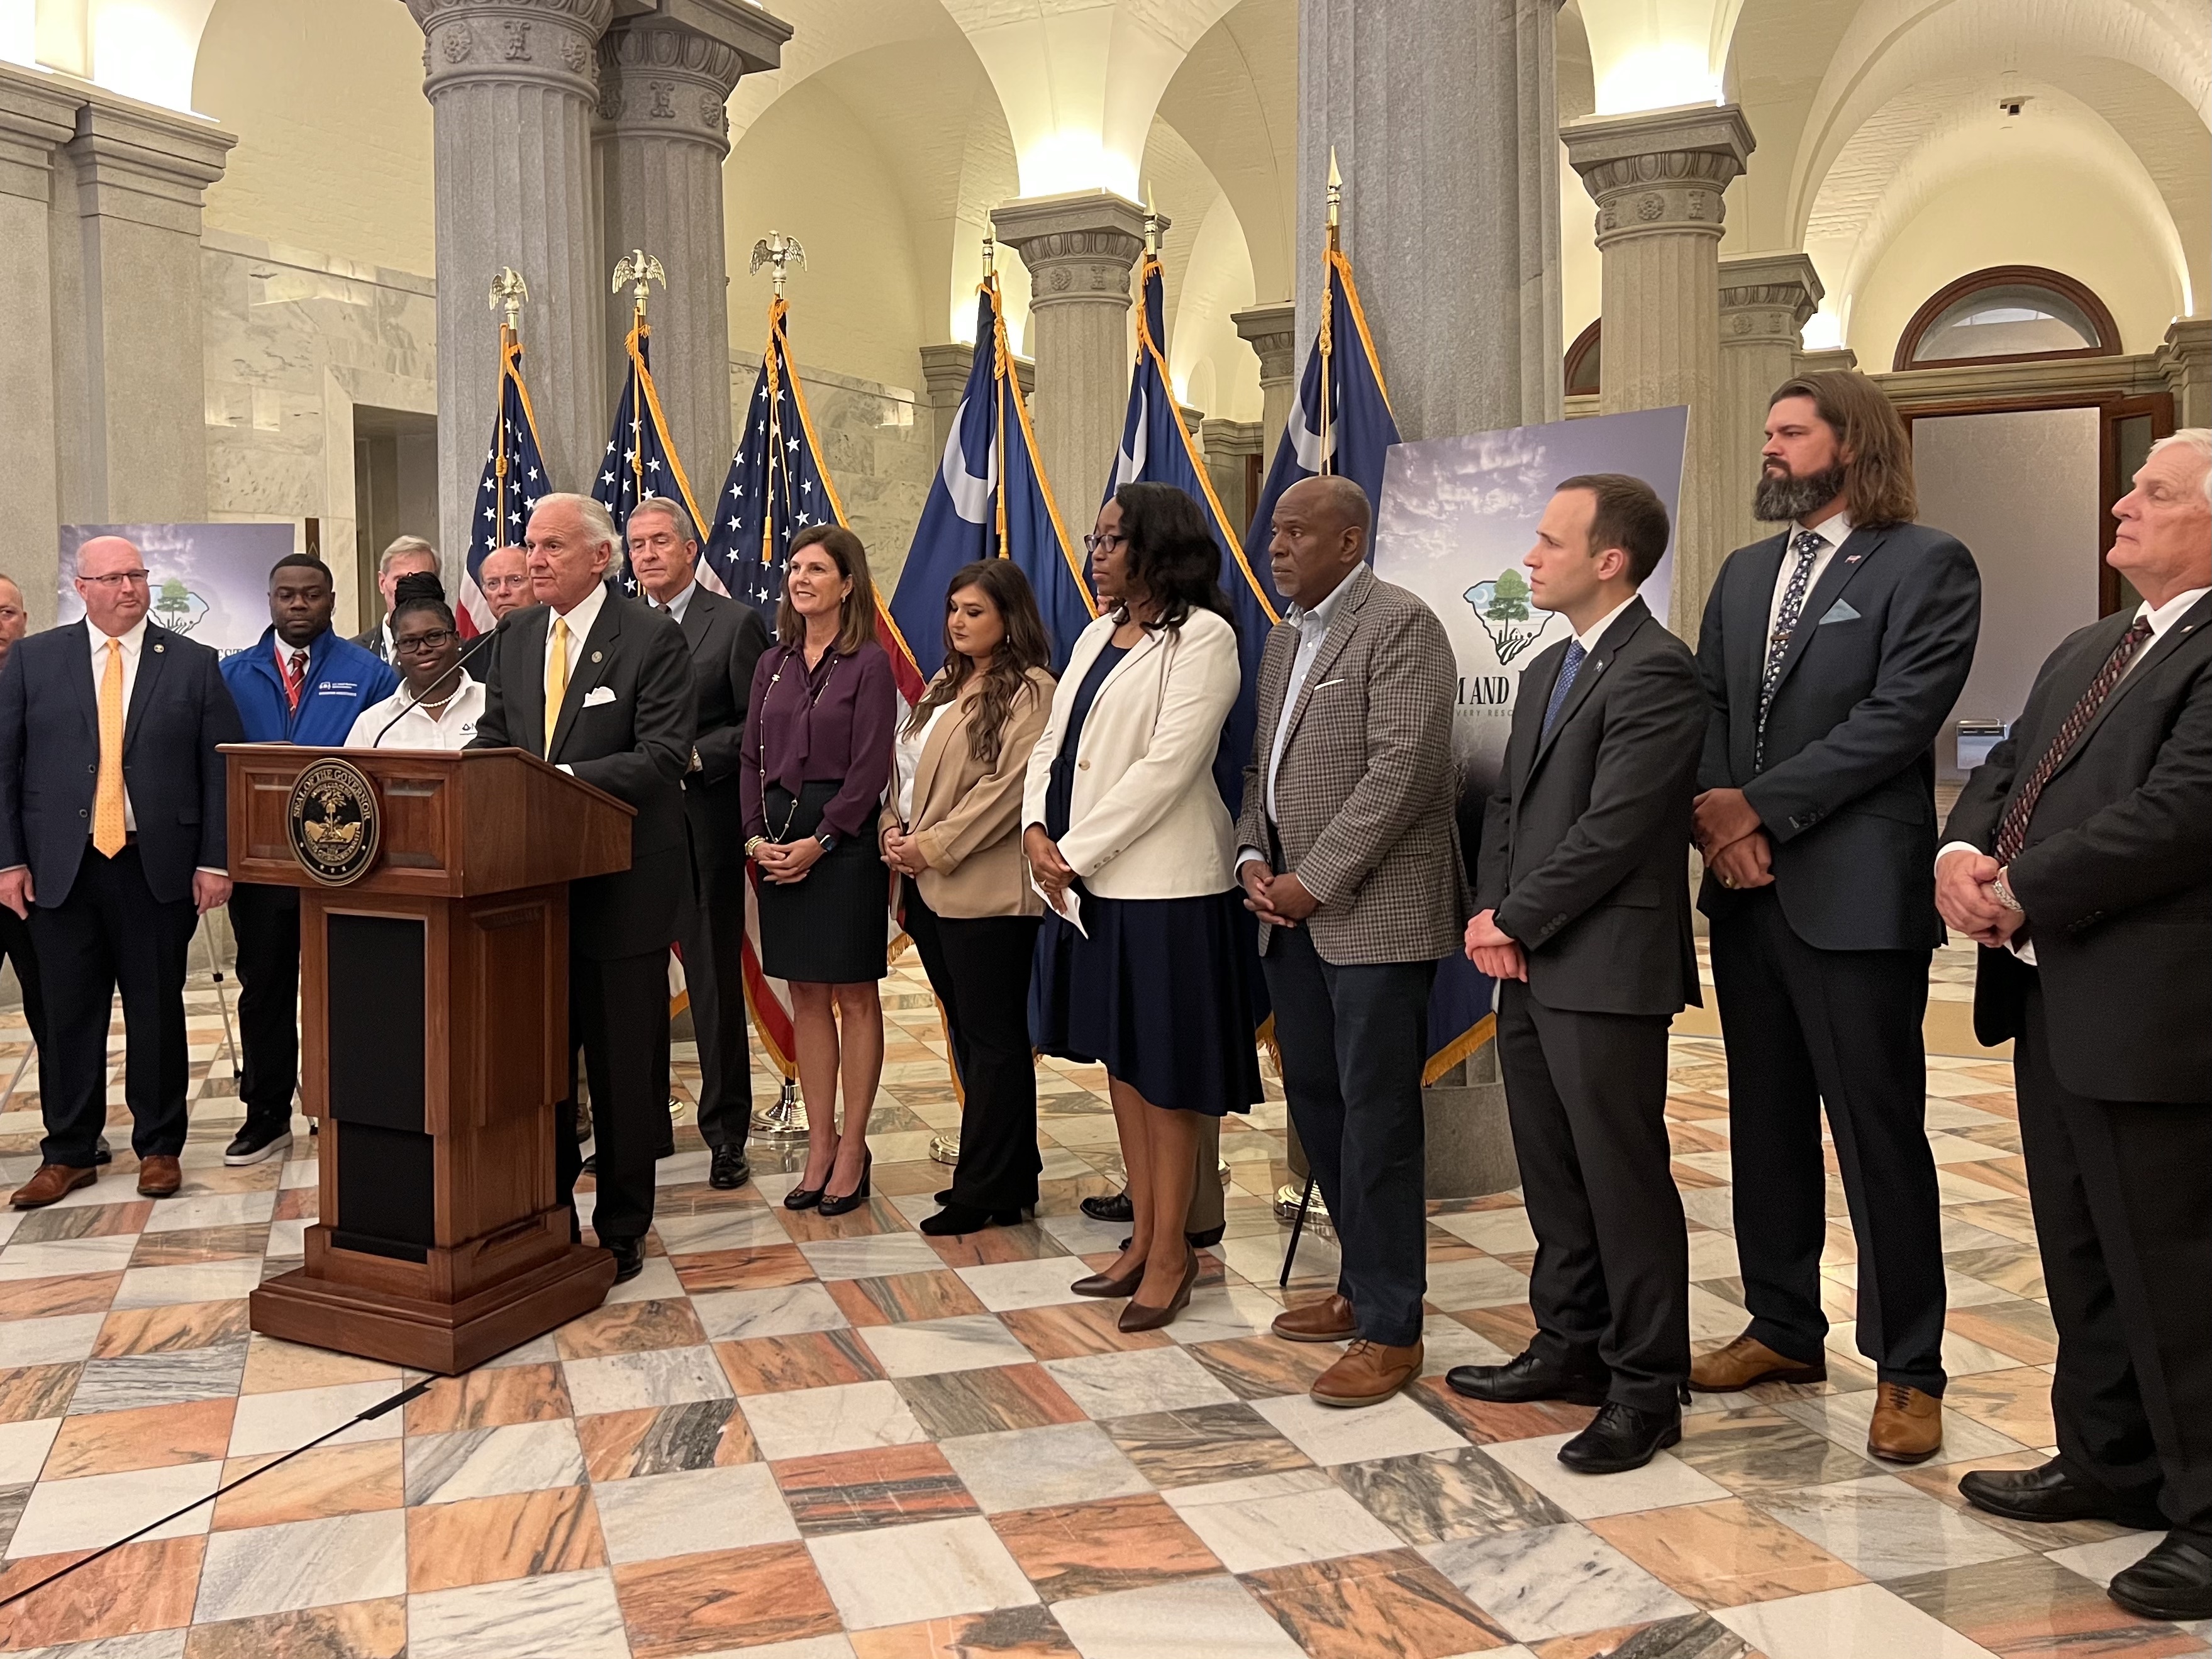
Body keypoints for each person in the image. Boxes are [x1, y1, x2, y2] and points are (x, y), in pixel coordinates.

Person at [1938, 429, 2212, 1623]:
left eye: (2156, 489)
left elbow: (2184, 810)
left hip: (2159, 1010)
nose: (2124, 499)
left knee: (2178, 1272)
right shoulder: (2092, 643)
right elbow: (2004, 776)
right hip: (2052, 997)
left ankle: (2205, 1517)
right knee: (2081, 1246)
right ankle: (2108, 1457)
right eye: (2131, 482)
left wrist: (2022, 884)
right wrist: (1958, 850)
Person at [1689, 370, 1981, 1463]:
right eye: (1765, 431)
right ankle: (1780, 1326)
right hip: (1746, 890)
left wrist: (1758, 806)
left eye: (1788, 432)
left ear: (1848, 444)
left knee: (1876, 1133)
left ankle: (1909, 1367)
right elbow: (1709, 706)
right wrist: (1722, 824)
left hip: (1854, 896)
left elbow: (1899, 718)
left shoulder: (1926, 563)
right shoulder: (1743, 568)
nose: (1768, 447)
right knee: (1761, 1124)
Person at [1447, 475, 1706, 1469]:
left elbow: (1617, 828)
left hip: (1607, 963)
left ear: (1611, 559)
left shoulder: (1658, 670)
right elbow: (1509, 808)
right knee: (1551, 1168)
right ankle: (1570, 1344)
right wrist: (1492, 916)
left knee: (1621, 1175)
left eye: (1550, 542)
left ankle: (1647, 1385)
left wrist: (1514, 915)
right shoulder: (1546, 666)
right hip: (1529, 958)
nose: (1530, 558)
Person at [1233, 475, 1465, 1406]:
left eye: (1296, 531)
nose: (1277, 546)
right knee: (1321, 1107)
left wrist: (1313, 878)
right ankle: (1356, 1282)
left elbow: (1402, 771)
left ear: (1349, 538)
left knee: (1378, 1120)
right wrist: (1254, 853)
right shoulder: (1286, 637)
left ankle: (1391, 1325)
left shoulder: (1401, 624)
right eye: (1274, 531)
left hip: (1374, 916)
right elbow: (1262, 768)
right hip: (1287, 917)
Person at [1026, 481, 1260, 1332]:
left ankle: (1174, 1252)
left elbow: (1170, 766)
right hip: (1096, 889)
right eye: (1095, 538)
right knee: (1123, 1065)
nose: (1096, 551)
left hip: (1170, 888)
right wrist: (1034, 828)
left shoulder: (1207, 639)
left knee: (1167, 1076)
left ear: (1157, 546)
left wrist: (1071, 854)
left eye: (1112, 538)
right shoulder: (1094, 634)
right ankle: (1142, 1235)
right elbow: (1056, 743)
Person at [465, 494, 695, 1282]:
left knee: (624, 1067)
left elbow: (663, 755)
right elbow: (495, 736)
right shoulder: (517, 634)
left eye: (552, 547)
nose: (534, 560)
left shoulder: (652, 637)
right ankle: (546, 1208)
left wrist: (555, 780)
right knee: (541, 1063)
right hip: (530, 892)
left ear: (601, 557)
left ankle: (624, 1222)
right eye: (530, 546)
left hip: (620, 887)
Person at [2, 536, 241, 1208]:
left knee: (157, 1009)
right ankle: (69, 1151)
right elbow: (6, 768)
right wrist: (8, 860)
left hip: (154, 865)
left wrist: (215, 859)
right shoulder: (34, 659)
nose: (128, 588)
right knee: (67, 1013)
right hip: (62, 868)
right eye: (111, 577)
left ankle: (159, 1146)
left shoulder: (192, 662)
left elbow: (219, 767)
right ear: (81, 587)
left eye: (136, 575)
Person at [881, 561, 1054, 1236]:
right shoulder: (945, 683)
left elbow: (1008, 790)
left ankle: (983, 1188)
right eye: (953, 608)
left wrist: (934, 844)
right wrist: (893, 829)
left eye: (974, 611)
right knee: (970, 1037)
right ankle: (1011, 1176)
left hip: (987, 891)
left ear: (1009, 617)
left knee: (995, 1040)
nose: (957, 621)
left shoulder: (1032, 690)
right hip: (927, 886)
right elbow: (905, 771)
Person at [218, 553, 398, 1167]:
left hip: (344, 863)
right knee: (264, 989)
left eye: (312, 595)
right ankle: (265, 1115)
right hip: (262, 865)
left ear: (332, 600)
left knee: (345, 990)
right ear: (269, 599)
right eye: (287, 595)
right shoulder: (232, 674)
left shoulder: (370, 674)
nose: (299, 605)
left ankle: (343, 1104)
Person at [740, 525, 896, 1218]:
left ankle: (855, 1147)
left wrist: (824, 841)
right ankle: (820, 1142)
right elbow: (749, 757)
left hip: (844, 844)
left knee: (853, 995)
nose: (800, 578)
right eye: (794, 568)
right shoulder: (771, 662)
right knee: (805, 993)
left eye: (816, 569)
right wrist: (752, 837)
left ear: (847, 583)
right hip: (774, 839)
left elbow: (870, 768)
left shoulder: (868, 663)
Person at [628, 496, 771, 1188]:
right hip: (629, 830)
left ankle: (725, 1134)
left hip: (702, 824)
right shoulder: (620, 628)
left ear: (690, 550)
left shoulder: (734, 623)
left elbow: (760, 727)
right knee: (635, 980)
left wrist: (691, 757)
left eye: (660, 542)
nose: (648, 555)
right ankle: (647, 1128)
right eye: (636, 545)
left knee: (712, 981)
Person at [0, 575, 65, 1154]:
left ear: (24, 619)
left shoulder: (48, 678)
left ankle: (68, 1133)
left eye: (6, 613)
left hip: (33, 874)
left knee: (53, 1005)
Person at [345, 573, 484, 749]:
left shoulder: (491, 705)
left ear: (456, 639)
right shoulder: (373, 724)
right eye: (410, 642)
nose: (423, 648)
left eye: (434, 636)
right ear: (398, 651)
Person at [355, 535, 439, 663]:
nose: (409, 588)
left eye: (420, 579)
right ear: (382, 582)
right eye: (400, 580)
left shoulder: (460, 653)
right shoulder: (352, 653)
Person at [477, 544, 532, 623]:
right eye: (493, 583)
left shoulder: (554, 633)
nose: (502, 592)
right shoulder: (491, 636)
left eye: (515, 580)